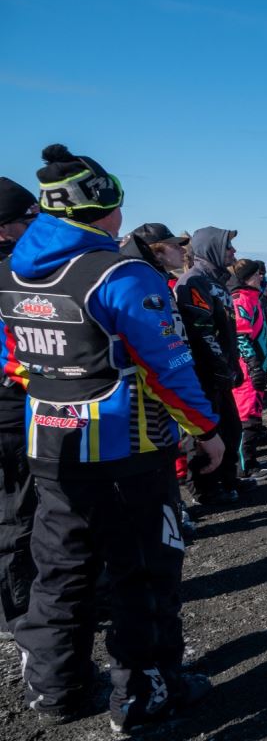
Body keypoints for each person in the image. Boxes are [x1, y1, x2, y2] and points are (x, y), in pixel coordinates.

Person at [3, 145, 222, 729]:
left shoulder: (12, 272)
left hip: (48, 446)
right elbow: (168, 367)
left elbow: (15, 361)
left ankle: (55, 690)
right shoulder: (121, 274)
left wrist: (56, 384)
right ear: (105, 204)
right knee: (144, 573)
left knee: (61, 570)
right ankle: (146, 693)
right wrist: (206, 431)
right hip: (127, 450)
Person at [175, 226, 249, 502]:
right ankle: (204, 488)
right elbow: (201, 332)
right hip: (203, 373)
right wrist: (221, 368)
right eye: (228, 247)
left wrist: (232, 367)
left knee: (231, 428)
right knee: (204, 433)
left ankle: (228, 480)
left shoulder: (217, 282)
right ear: (212, 249)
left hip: (222, 370)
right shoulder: (194, 282)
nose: (234, 252)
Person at [0, 178, 37, 642]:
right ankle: (18, 611)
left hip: (19, 409)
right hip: (9, 414)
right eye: (30, 220)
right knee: (16, 515)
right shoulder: (9, 279)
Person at [230, 260, 267, 479]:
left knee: (254, 415)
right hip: (247, 371)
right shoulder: (242, 299)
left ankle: (248, 460)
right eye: (257, 274)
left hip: (258, 365)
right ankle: (245, 466)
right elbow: (241, 335)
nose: (261, 277)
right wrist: (254, 365)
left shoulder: (253, 298)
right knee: (248, 418)